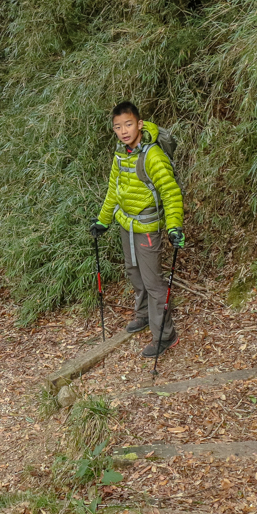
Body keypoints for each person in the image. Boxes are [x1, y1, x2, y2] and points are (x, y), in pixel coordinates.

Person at [89, 101, 185, 358]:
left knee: (153, 283)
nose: (123, 131)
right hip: (126, 225)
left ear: (139, 124)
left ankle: (165, 335)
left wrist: (174, 227)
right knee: (134, 273)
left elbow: (171, 193)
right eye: (118, 127)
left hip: (147, 228)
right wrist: (103, 221)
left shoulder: (152, 156)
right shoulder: (121, 154)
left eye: (128, 124)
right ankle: (143, 315)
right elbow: (113, 190)